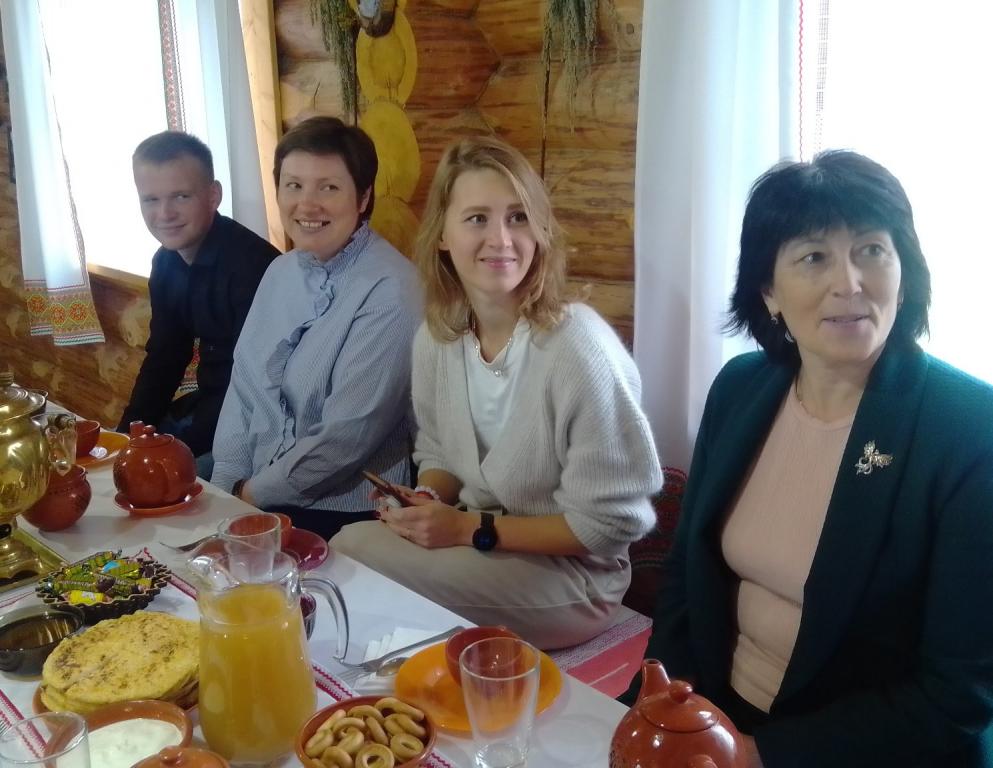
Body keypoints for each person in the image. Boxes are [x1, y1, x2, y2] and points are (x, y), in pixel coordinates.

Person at [623, 151, 993, 767]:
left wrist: (757, 755)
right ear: (768, 290)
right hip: (716, 718)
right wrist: (668, 701)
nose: (849, 282)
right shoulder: (741, 387)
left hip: (860, 750)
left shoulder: (969, 429)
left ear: (904, 273)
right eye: (814, 257)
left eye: (871, 250)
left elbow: (957, 694)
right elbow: (688, 573)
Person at [331, 136, 662, 649]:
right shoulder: (438, 338)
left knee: (350, 553)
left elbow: (609, 525)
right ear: (443, 235)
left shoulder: (579, 347)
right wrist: (426, 499)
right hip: (485, 547)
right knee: (350, 547)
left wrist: (467, 529)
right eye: (477, 219)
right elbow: (439, 454)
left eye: (518, 217)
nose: (501, 239)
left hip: (576, 579)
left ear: (541, 231)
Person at [210, 116, 422, 540]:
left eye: (328, 187)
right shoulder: (280, 271)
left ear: (363, 197)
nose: (307, 205)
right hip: (249, 488)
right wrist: (224, 486)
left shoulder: (393, 290)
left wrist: (248, 496)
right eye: (294, 185)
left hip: (345, 511)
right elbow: (244, 388)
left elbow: (347, 437)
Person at [119, 132, 279, 478]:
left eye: (181, 196)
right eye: (151, 199)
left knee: (167, 479)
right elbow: (165, 357)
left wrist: (183, 452)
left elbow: (251, 384)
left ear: (213, 196)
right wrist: (127, 437)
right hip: (211, 405)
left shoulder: (254, 268)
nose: (164, 214)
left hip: (261, 425)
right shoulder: (165, 262)